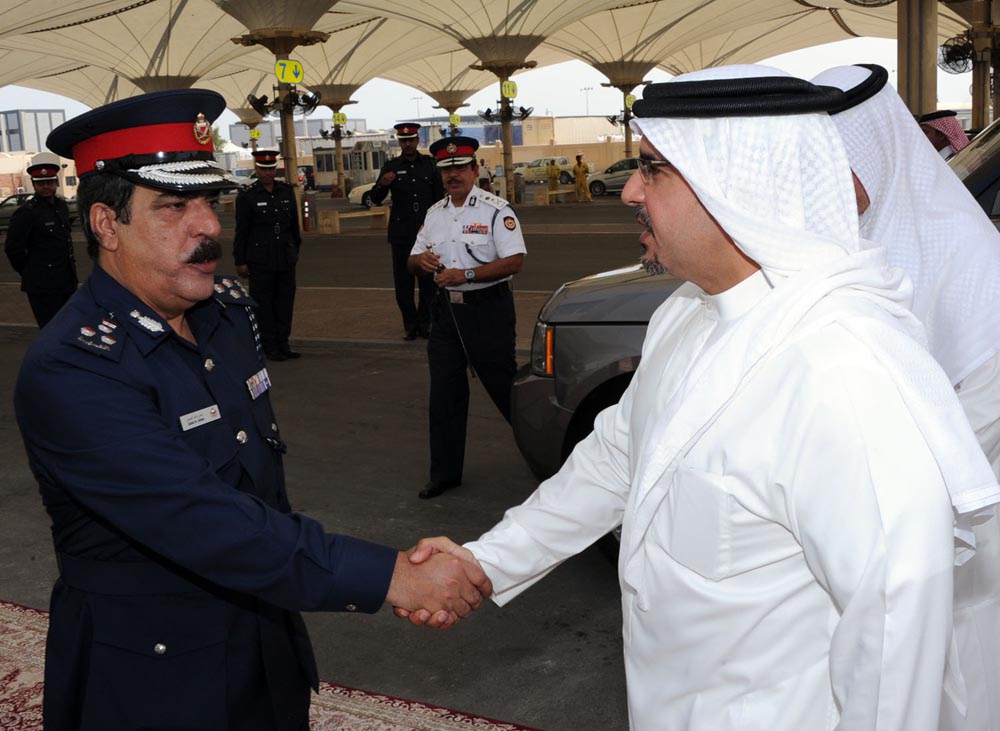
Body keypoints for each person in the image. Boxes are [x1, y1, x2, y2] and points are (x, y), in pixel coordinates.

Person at [402, 67, 1000, 729]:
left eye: (653, 169)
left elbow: (892, 643)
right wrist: (488, 561)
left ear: (734, 186)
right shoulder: (688, 312)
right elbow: (613, 460)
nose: (631, 190)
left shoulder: (843, 370)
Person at [17, 89, 492, 731]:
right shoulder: (74, 367)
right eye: (175, 206)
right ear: (106, 224)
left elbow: (257, 491)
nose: (209, 227)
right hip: (153, 675)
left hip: (265, 641)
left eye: (209, 202)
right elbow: (198, 518)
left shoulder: (226, 313)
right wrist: (390, 577)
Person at [813, 63, 1000, 731]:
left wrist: (871, 498)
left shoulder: (970, 255)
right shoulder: (845, 243)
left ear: (876, 153)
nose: (825, 183)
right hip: (871, 536)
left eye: (838, 165)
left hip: (961, 532)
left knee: (964, 686)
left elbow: (980, 419)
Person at [407, 136, 525, 500]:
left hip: (487, 311)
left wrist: (468, 275)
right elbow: (411, 261)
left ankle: (552, 460)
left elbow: (515, 261)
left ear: (475, 170)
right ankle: (444, 474)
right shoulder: (434, 214)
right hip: (446, 315)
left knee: (507, 393)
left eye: (460, 168)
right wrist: (421, 262)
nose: (453, 175)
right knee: (445, 396)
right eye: (446, 170)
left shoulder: (495, 210)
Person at [369, 123, 443, 340]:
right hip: (401, 234)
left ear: (417, 141)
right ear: (399, 142)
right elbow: (374, 199)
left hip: (427, 233)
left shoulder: (430, 165)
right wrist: (383, 184)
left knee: (428, 282)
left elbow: (440, 200)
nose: (408, 144)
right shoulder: (391, 167)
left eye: (411, 140)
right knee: (403, 283)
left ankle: (425, 323)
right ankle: (410, 324)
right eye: (404, 141)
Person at [233, 148, 302, 361]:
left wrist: (294, 251)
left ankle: (284, 343)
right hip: (260, 260)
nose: (268, 173)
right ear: (257, 169)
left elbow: (294, 227)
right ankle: (269, 346)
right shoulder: (248, 195)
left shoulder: (286, 191)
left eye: (271, 169)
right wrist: (240, 260)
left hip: (285, 258)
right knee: (264, 304)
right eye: (263, 169)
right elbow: (242, 231)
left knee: (285, 302)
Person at [4, 152, 78, 327]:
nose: (46, 187)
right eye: (41, 183)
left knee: (69, 327)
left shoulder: (61, 207)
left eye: (49, 182)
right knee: (50, 330)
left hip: (66, 281)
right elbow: (13, 248)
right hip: (42, 286)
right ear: (34, 185)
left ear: (56, 183)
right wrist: (30, 272)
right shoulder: (26, 213)